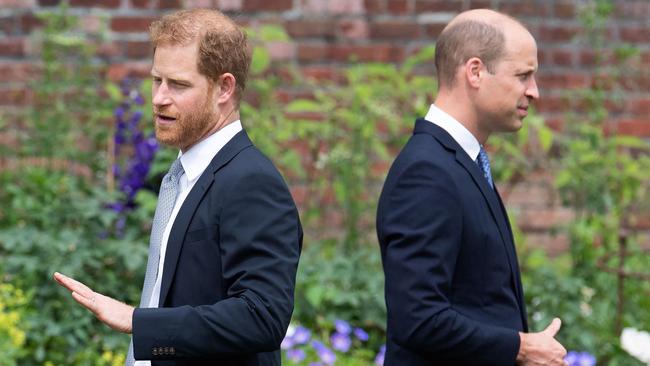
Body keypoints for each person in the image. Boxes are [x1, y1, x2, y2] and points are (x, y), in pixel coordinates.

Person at [54, 9, 302, 366]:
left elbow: (262, 316)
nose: (159, 98)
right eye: (157, 80)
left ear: (224, 88)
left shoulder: (251, 181)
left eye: (179, 85)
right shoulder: (183, 174)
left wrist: (137, 321)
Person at [376, 9, 568, 366]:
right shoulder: (427, 172)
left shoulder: (458, 163)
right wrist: (521, 347)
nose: (535, 92)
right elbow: (418, 318)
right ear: (475, 71)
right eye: (523, 75)